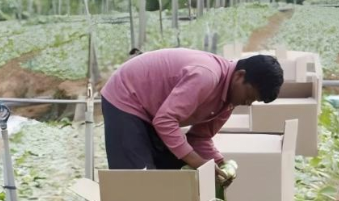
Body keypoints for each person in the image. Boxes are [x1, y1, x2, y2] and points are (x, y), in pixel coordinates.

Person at [100, 48, 283, 184]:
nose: (247, 103)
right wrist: (200, 162)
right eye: (249, 96)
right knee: (137, 180)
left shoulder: (228, 101)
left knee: (172, 170)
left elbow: (200, 137)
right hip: (127, 97)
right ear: (240, 76)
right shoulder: (206, 76)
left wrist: (219, 165)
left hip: (153, 110)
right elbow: (165, 120)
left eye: (253, 101)